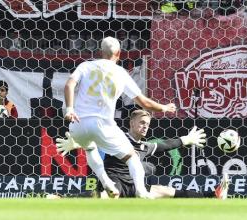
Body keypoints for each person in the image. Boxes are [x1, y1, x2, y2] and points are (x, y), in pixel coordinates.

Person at [60, 36, 176, 199]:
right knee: (132, 157)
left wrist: (70, 108)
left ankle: (106, 182)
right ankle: (141, 191)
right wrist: (164, 107)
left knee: (90, 148)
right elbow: (144, 103)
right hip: (102, 124)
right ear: (119, 53)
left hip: (77, 123)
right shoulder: (120, 73)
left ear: (100, 51)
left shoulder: (85, 66)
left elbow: (69, 84)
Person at [56, 109, 229, 199]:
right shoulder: (117, 137)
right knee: (100, 198)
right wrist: (77, 143)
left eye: (147, 124)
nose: (145, 126)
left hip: (135, 186)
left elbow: (166, 145)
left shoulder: (145, 146)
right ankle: (62, 200)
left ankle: (212, 195)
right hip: (116, 182)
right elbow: (95, 141)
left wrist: (186, 139)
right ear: (131, 123)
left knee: (168, 192)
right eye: (142, 122)